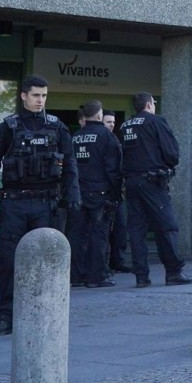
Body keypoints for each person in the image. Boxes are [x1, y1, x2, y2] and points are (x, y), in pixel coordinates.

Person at [0, 75, 80, 337]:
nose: (40, 100)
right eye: (36, 95)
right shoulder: (8, 128)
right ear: (24, 96)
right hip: (15, 204)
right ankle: (7, 316)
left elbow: (70, 166)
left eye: (44, 96)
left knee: (48, 261)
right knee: (8, 262)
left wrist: (73, 196)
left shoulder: (57, 128)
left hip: (47, 204)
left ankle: (45, 313)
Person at [120, 92, 192, 286]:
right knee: (167, 226)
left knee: (136, 230)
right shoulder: (156, 121)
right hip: (153, 182)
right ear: (149, 104)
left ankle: (141, 276)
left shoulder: (125, 125)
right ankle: (174, 271)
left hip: (132, 182)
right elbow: (172, 152)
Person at [70, 100, 122, 289]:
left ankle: (76, 276)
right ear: (100, 115)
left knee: (77, 235)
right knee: (98, 234)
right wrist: (116, 193)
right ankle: (96, 276)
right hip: (100, 193)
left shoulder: (75, 136)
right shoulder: (106, 137)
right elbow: (113, 169)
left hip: (78, 192)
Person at [102, 112, 132, 274]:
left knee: (120, 228)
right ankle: (107, 264)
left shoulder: (115, 139)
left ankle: (118, 261)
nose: (112, 124)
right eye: (108, 122)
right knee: (105, 230)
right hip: (105, 191)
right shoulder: (104, 140)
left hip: (118, 191)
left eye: (113, 122)